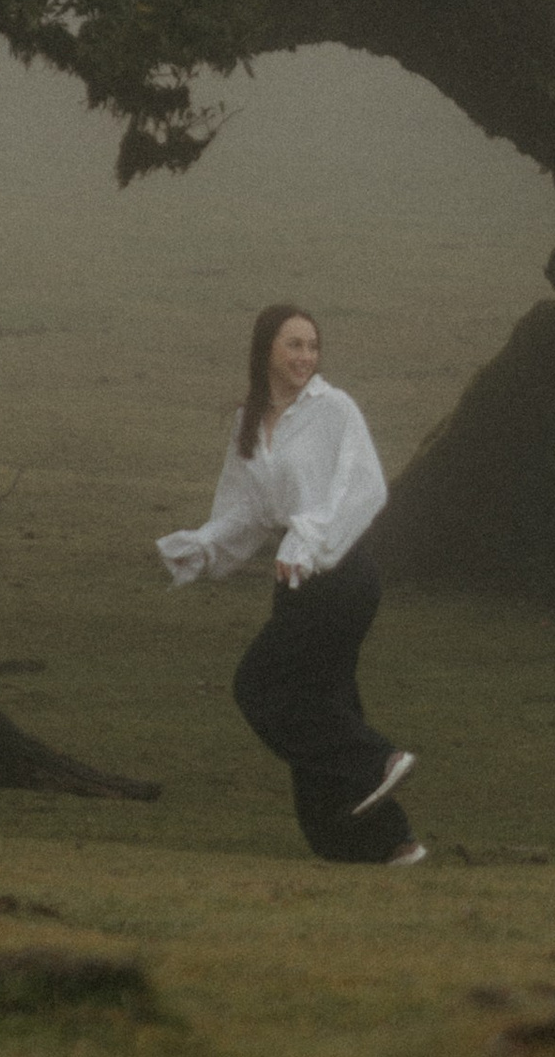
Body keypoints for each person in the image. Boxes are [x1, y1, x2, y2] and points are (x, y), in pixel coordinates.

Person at [156, 305, 423, 865]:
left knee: (260, 686)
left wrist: (309, 539)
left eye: (312, 346)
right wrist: (204, 549)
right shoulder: (248, 422)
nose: (305, 357)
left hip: (341, 574)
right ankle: (380, 844)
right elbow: (247, 512)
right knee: (321, 703)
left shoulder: (334, 409)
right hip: (294, 580)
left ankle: (376, 760)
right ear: (266, 352)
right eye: (293, 346)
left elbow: (363, 490)